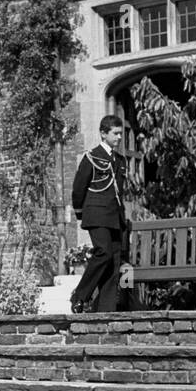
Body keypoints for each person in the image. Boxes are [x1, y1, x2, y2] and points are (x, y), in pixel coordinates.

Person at [70, 114, 130, 314]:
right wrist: (80, 213)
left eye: (121, 133)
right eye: (115, 133)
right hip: (96, 214)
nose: (119, 137)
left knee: (113, 263)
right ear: (103, 134)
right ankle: (80, 296)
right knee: (103, 252)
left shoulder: (119, 160)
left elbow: (119, 191)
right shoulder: (92, 157)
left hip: (114, 216)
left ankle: (106, 310)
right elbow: (79, 188)